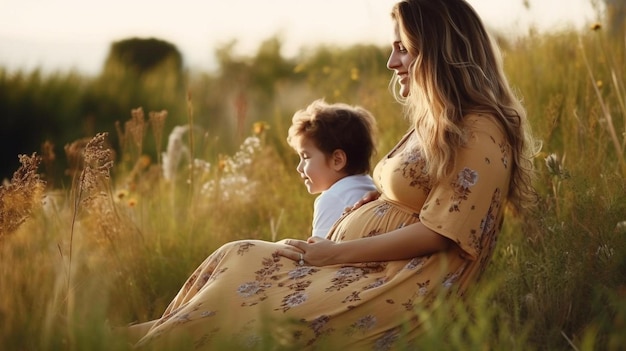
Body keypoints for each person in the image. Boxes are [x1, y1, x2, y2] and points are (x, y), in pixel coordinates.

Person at [129, 0, 537, 349]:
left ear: (438, 52)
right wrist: (379, 203)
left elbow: (442, 231)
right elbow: (425, 197)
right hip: (366, 268)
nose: (391, 61)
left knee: (248, 318)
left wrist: (334, 252)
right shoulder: (443, 121)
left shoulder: (480, 129)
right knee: (240, 256)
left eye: (403, 49)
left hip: (402, 287)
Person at [286, 99, 378, 238]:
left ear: (337, 160)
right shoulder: (371, 187)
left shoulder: (331, 199)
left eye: (306, 157)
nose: (299, 168)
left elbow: (320, 253)